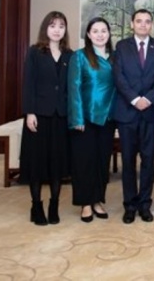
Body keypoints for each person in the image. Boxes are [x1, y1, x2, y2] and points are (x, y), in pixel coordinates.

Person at [113, 9, 154, 224]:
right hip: (127, 112)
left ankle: (145, 204)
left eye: (147, 22)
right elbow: (119, 76)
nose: (143, 25)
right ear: (132, 24)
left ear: (151, 25)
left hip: (150, 113)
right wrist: (135, 99)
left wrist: (149, 99)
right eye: (139, 21)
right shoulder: (121, 47)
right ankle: (130, 205)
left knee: (148, 160)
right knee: (128, 161)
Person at [19, 11, 72, 226]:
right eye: (53, 25)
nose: (57, 29)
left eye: (61, 26)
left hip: (61, 116)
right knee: (37, 163)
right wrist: (29, 112)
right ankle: (36, 205)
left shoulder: (70, 54)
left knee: (57, 164)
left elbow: (71, 87)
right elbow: (28, 84)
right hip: (39, 116)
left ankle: (54, 205)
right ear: (45, 29)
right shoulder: (35, 52)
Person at [67, 17, 117, 223]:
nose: (99, 34)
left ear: (109, 34)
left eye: (103, 30)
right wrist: (77, 117)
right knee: (83, 162)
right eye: (95, 31)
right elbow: (74, 88)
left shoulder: (115, 57)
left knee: (101, 161)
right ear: (88, 34)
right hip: (85, 118)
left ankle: (98, 200)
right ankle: (85, 203)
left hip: (108, 117)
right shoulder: (79, 57)